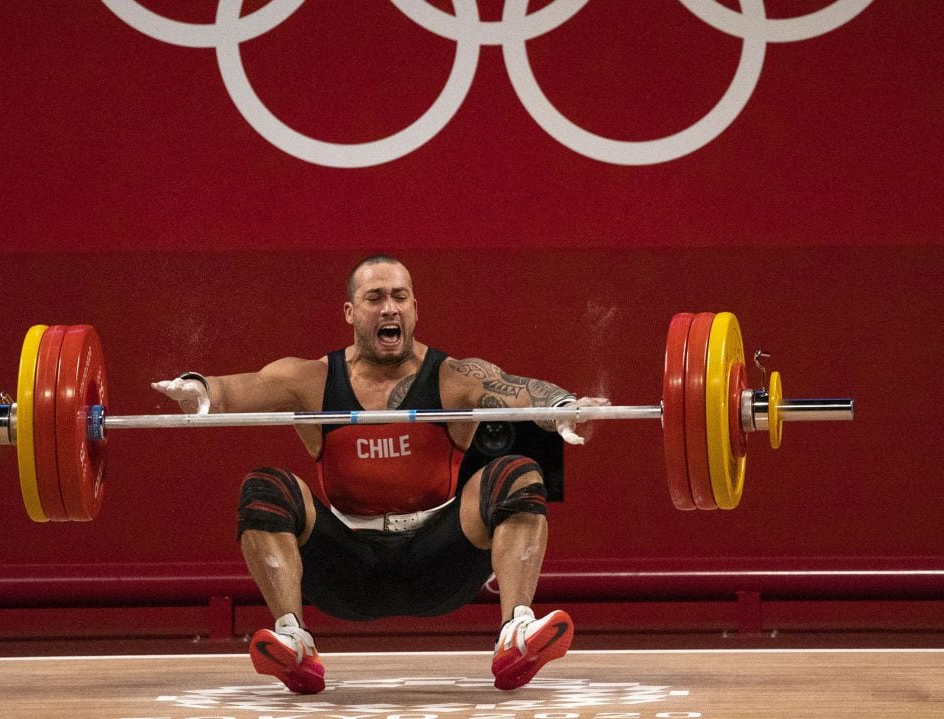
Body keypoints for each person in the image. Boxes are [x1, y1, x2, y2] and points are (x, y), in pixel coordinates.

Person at [152, 254, 608, 694]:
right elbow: (230, 391)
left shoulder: (453, 377)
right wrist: (196, 389)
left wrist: (565, 407)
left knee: (518, 473)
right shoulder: (311, 379)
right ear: (351, 312)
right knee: (265, 487)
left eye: (399, 296)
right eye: (375, 297)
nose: (389, 307)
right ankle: (294, 642)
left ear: (414, 309)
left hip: (440, 563)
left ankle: (516, 635)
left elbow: (521, 392)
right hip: (347, 567)